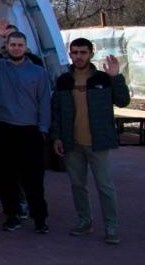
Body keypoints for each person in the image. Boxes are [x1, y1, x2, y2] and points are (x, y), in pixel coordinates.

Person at [50, 39, 130, 245]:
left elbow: (123, 101)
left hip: (98, 142)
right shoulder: (64, 80)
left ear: (91, 54)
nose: (78, 56)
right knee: (78, 185)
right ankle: (85, 221)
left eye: (83, 52)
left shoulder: (103, 78)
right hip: (72, 143)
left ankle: (111, 226)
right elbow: (56, 111)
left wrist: (116, 77)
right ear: (70, 54)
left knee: (104, 186)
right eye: (74, 52)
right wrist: (57, 137)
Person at [0, 18, 52, 233]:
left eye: (20, 45)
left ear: (26, 47)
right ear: (7, 46)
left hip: (29, 130)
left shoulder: (38, 72)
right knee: (5, 176)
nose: (16, 48)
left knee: (33, 178)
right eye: (13, 44)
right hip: (3, 128)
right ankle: (12, 215)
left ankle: (39, 218)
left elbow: (44, 102)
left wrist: (43, 129)